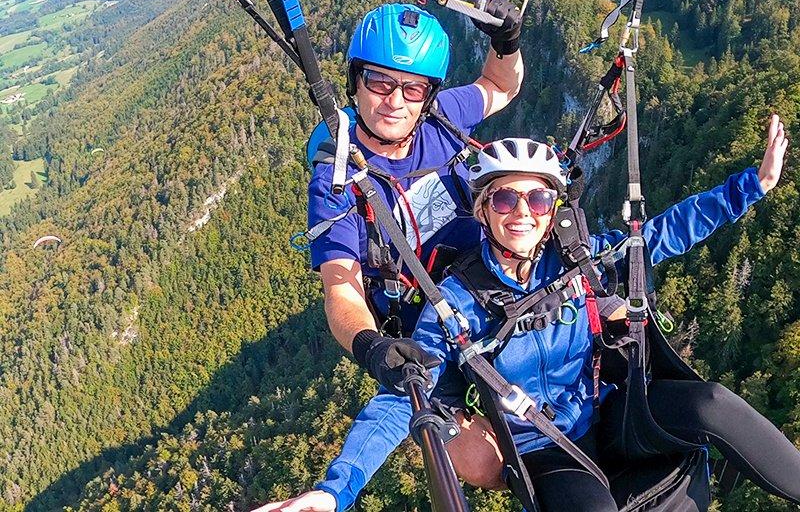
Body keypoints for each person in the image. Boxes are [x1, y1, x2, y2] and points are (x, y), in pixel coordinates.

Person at [258, 117, 799, 512]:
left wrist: (753, 185)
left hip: (609, 410)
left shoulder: (577, 258)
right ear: (481, 210)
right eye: (504, 200)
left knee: (712, 402)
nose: (522, 213)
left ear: (553, 211)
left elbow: (662, 233)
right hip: (543, 451)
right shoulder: (457, 303)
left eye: (538, 201)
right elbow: (404, 398)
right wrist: (336, 490)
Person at [306, 0, 523, 487]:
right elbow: (342, 288)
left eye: (411, 88)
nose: (394, 101)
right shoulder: (337, 176)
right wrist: (370, 346)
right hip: (423, 323)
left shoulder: (440, 120)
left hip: (490, 281)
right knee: (484, 466)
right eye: (379, 83)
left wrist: (506, 42)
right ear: (355, 82)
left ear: (428, 95)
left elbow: (499, 86)